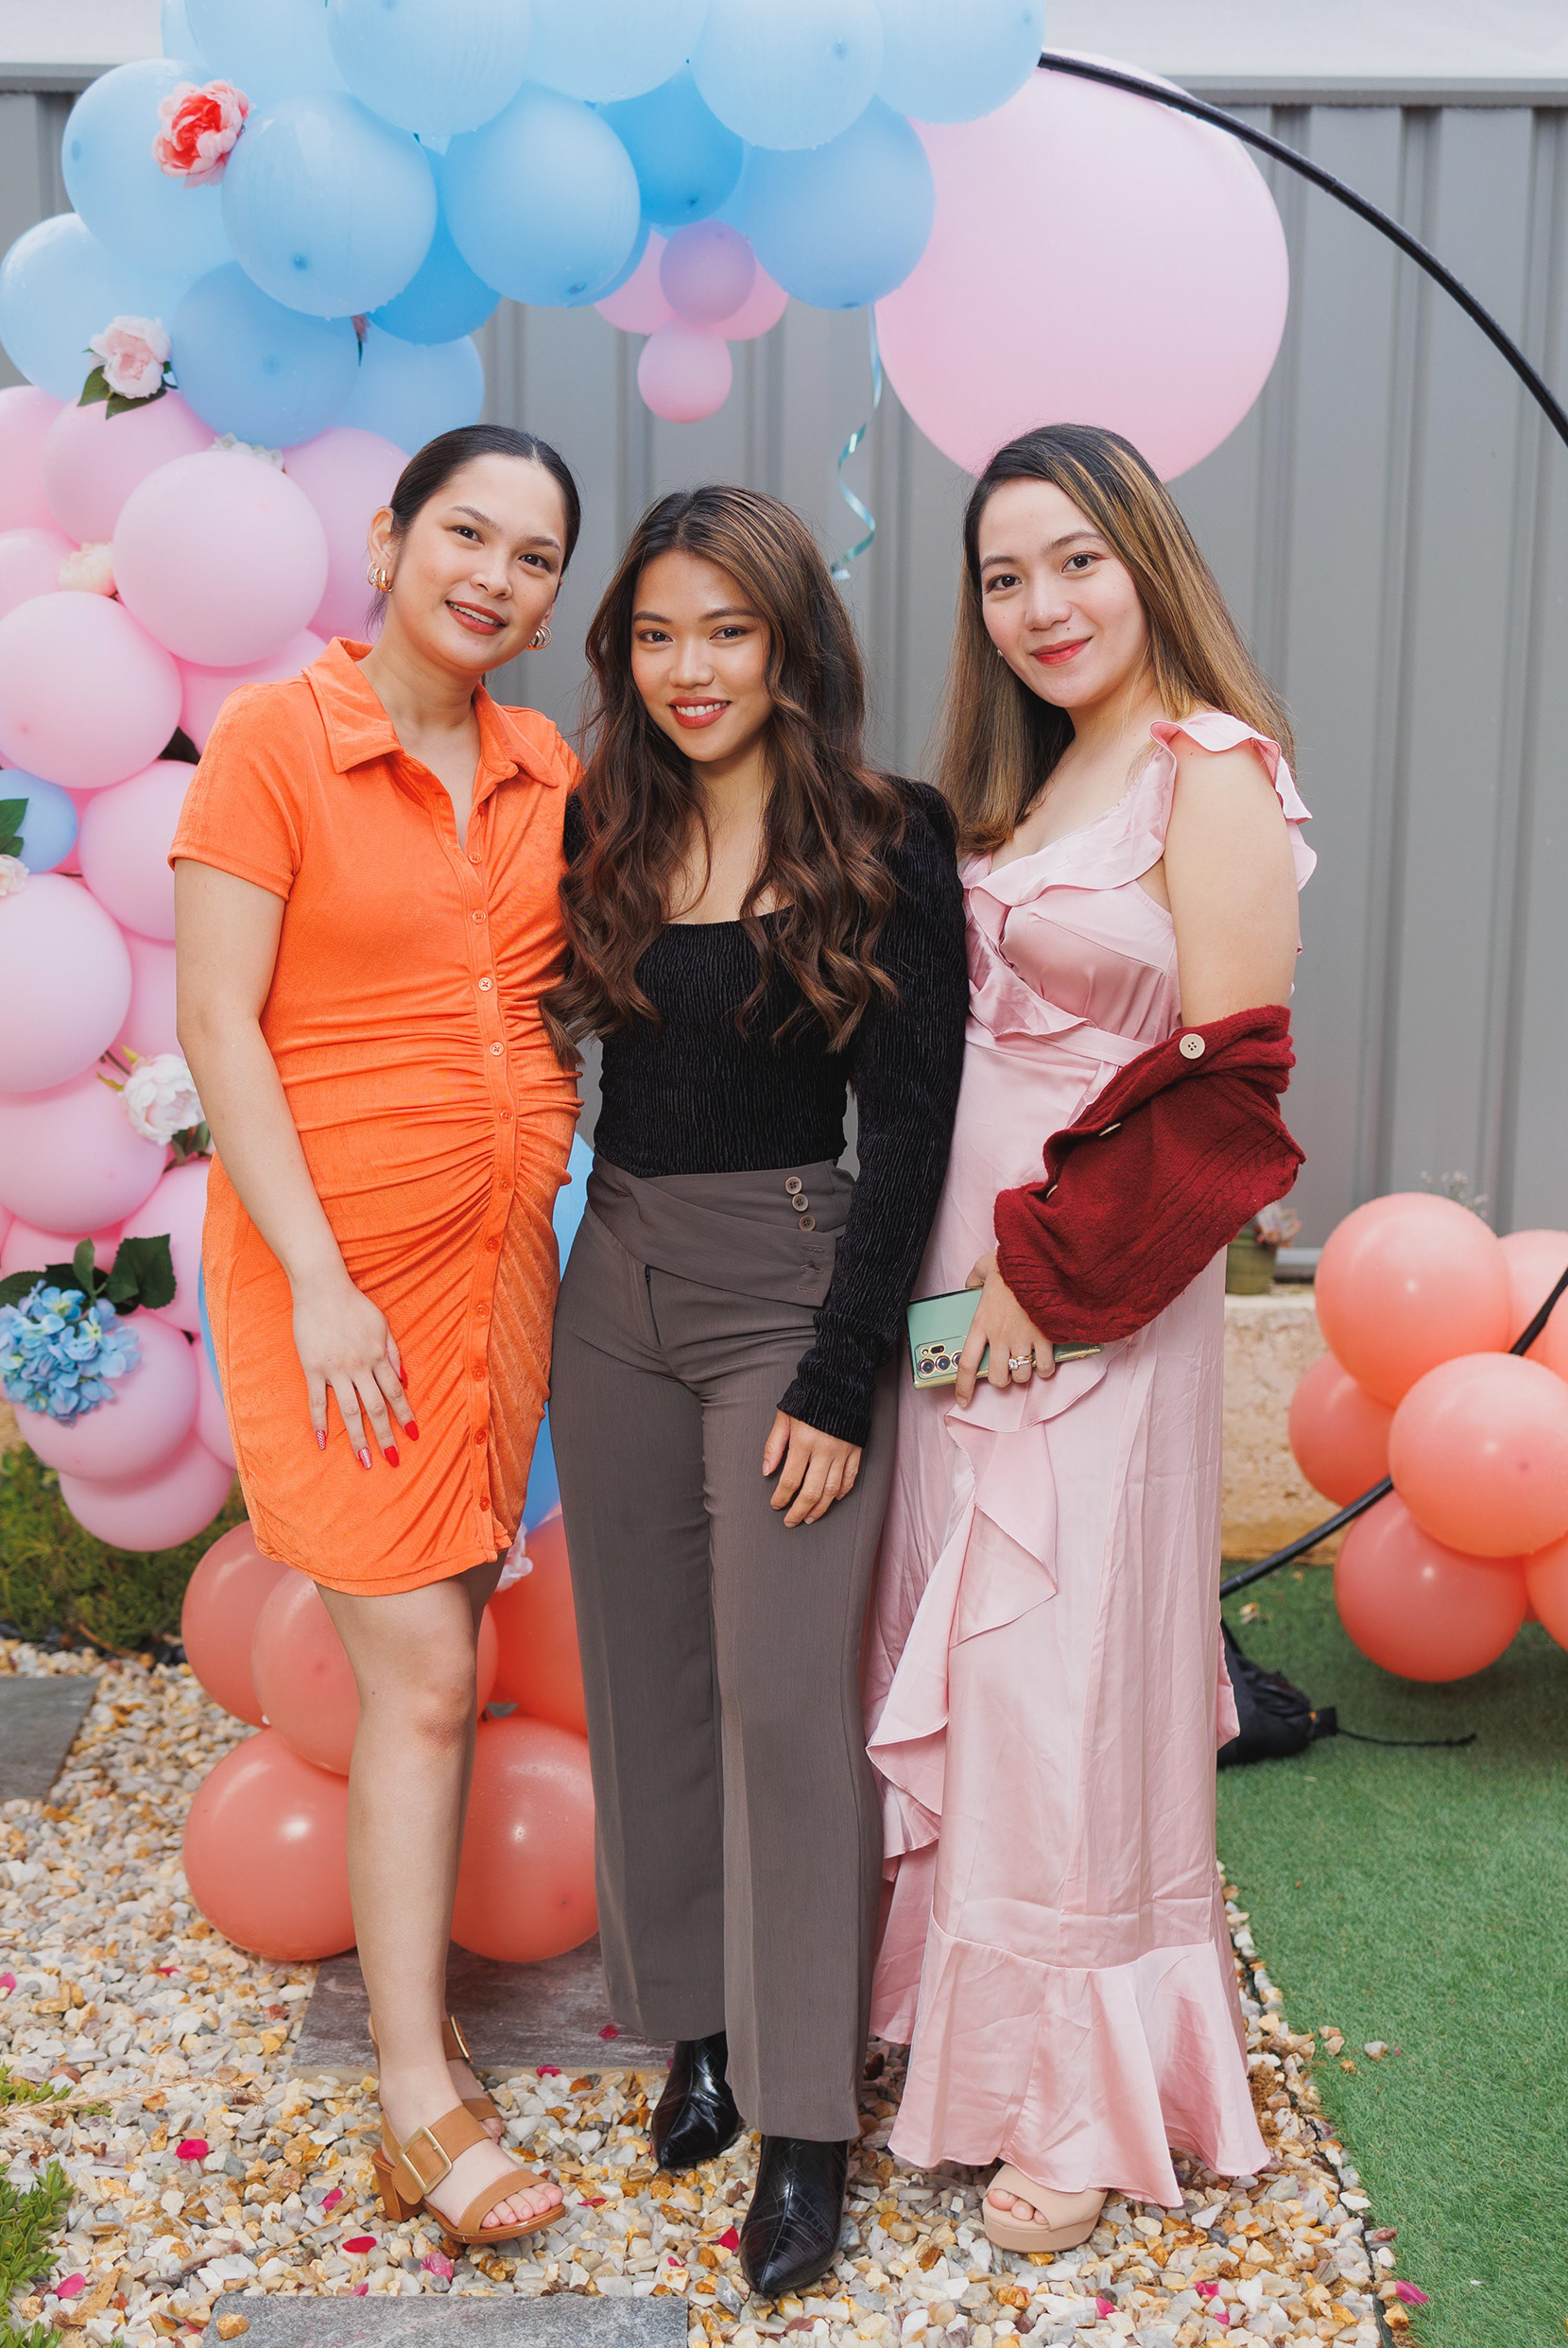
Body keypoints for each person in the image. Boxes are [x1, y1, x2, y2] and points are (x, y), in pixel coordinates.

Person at [865, 423, 1315, 2252]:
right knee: (971, 1653)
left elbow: (1232, 1092)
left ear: (1146, 561)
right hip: (961, 1299)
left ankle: (1075, 2092)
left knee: (1068, 1673)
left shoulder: (1214, 771)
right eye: (1003, 576)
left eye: (1075, 561)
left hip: (1094, 1298)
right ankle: (961, 2034)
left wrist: (1043, 1289)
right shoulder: (1031, 783)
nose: (1041, 605)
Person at [543, 486, 969, 2299]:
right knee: (643, 1676)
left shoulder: (889, 833)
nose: (689, 668)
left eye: (725, 629)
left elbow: (914, 1128)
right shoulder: (604, 821)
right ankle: (697, 2027)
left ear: (792, 640)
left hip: (789, 1287)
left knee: (786, 1698)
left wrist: (844, 1370)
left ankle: (806, 2125)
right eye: (655, 634)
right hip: (614, 1280)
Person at [171, 423, 585, 2255]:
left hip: (497, 1274)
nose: (493, 576)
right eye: (466, 533)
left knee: (452, 1642)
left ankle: (423, 2045)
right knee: (421, 1672)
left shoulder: (548, 769)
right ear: (390, 538)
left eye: (534, 557)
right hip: (333, 1283)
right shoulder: (277, 740)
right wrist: (319, 1278)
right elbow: (220, 1028)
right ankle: (417, 2090)